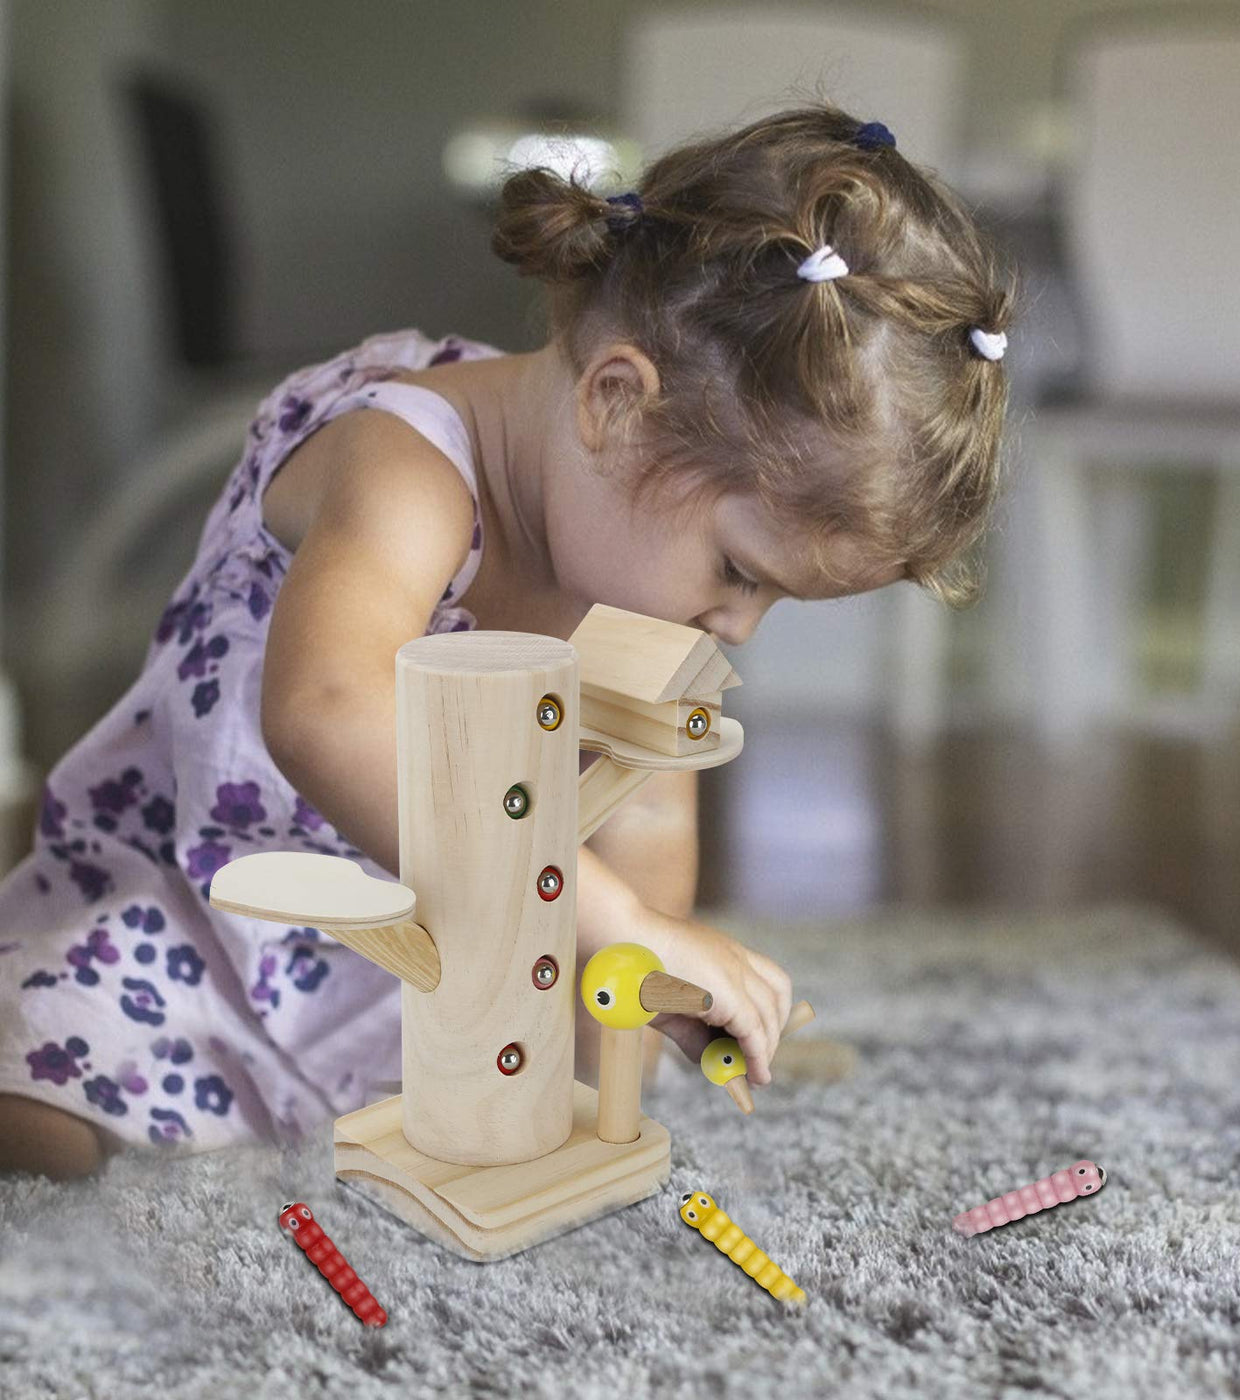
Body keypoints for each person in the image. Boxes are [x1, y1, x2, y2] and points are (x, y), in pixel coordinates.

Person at [0, 102, 1018, 1179]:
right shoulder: (404, 462)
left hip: (416, 953)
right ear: (615, 404)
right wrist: (607, 912)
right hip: (190, 907)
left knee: (501, 1095)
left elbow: (645, 793)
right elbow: (325, 711)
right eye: (737, 571)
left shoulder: (630, 532)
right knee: (41, 1107)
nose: (734, 624)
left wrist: (620, 992)